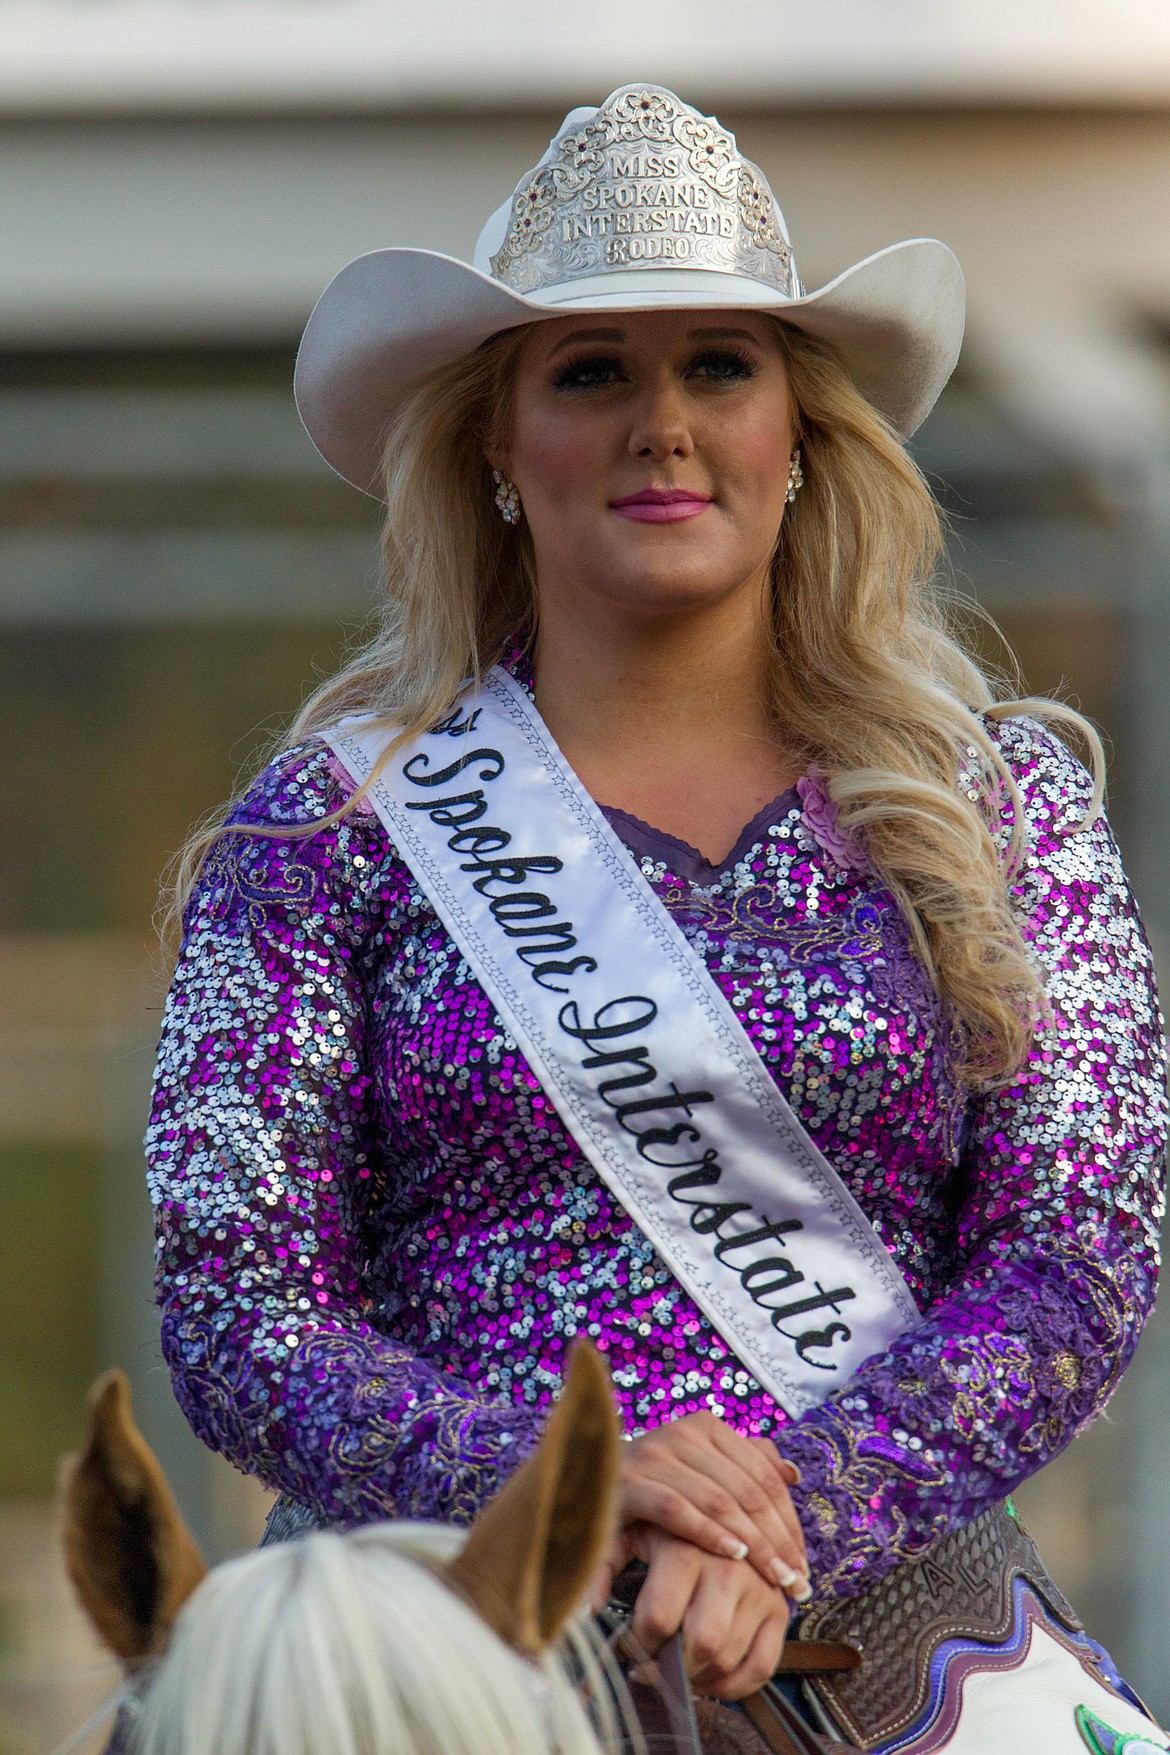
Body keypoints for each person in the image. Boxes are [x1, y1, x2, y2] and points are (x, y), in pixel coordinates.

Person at [147, 85, 1167, 1746]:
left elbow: (1074, 1260)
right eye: (591, 372)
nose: (662, 425)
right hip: (434, 1632)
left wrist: (794, 1514)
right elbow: (237, 1301)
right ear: (494, 438)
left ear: (797, 427)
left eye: (718, 365)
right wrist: (578, 1487)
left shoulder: (998, 806)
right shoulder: (320, 830)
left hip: (896, 1625)